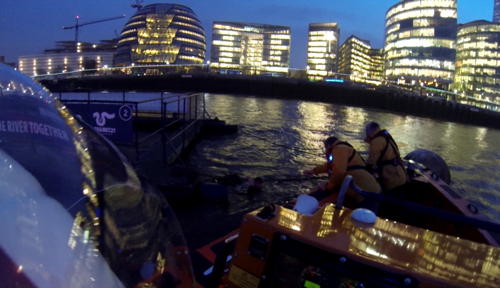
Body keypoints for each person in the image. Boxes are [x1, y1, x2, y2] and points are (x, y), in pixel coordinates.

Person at [303, 136, 381, 209]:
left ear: (328, 146)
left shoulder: (338, 149)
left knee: (360, 220)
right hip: (365, 190)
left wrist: (329, 186)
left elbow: (339, 172)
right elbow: (330, 166)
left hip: (366, 193)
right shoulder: (343, 149)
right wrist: (313, 171)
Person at [364, 121, 407, 191]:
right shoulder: (386, 136)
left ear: (369, 132)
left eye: (366, 132)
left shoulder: (377, 141)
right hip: (400, 174)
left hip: (392, 178)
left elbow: (371, 162)